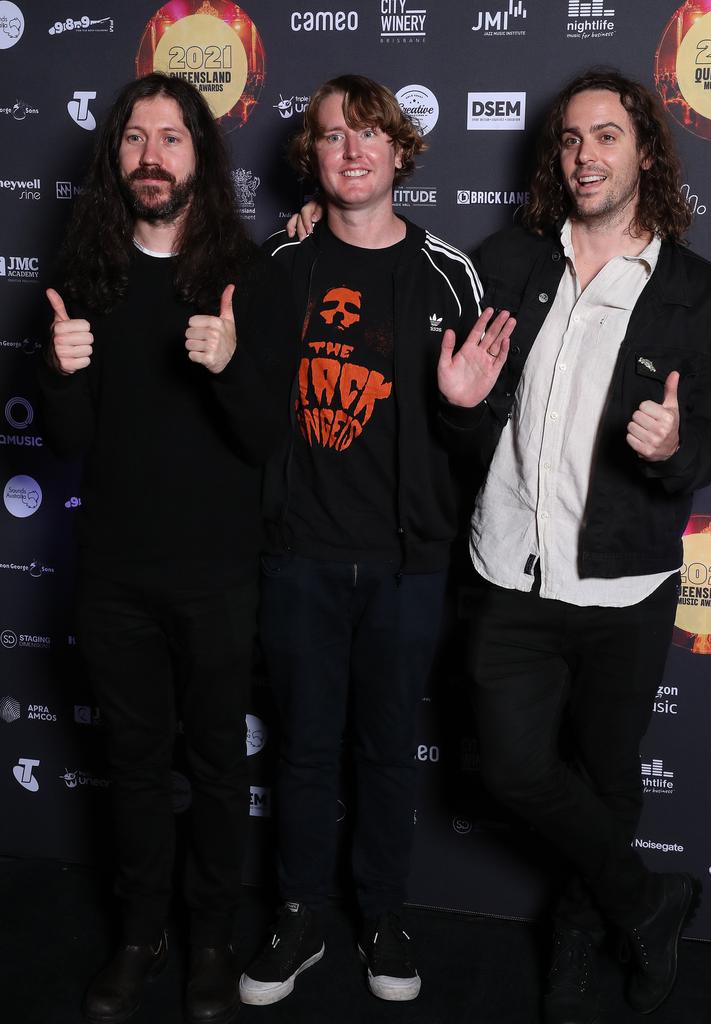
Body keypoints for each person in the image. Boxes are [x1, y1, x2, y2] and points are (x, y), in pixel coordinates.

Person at [437, 69, 711, 1023]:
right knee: (511, 767)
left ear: (645, 149)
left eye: (606, 137)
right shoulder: (511, 262)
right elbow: (471, 398)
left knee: (608, 781)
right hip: (509, 572)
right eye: (571, 140)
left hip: (625, 589)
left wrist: (673, 450)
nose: (586, 157)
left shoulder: (701, 294)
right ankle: (649, 901)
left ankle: (582, 930)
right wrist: (456, 409)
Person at [238, 74, 513, 1007]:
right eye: (330, 138)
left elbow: (478, 437)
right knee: (306, 748)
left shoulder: (448, 274)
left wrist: (466, 410)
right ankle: (300, 915)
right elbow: (234, 405)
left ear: (401, 150)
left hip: (407, 566)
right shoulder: (276, 267)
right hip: (298, 556)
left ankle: (385, 914)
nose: (350, 151)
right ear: (311, 160)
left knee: (388, 748)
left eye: (368, 135)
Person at [39, 73, 294, 1024]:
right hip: (112, 577)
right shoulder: (88, 277)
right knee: (136, 764)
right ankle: (140, 932)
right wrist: (61, 378)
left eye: (172, 138)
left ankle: (211, 941)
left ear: (200, 158)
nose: (153, 154)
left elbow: (267, 438)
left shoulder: (250, 281)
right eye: (136, 138)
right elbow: (65, 439)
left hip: (218, 578)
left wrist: (229, 367)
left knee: (219, 767)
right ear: (118, 160)